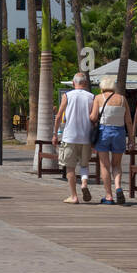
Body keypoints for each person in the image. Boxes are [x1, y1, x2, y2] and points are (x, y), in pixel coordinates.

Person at [89, 76, 136, 205]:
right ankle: (118, 187)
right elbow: (128, 121)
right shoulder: (122, 99)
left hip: (103, 132)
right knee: (116, 164)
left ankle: (109, 196)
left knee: (104, 165)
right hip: (119, 132)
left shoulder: (98, 98)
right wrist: (131, 139)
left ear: (102, 87)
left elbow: (93, 117)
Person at [53, 72, 94, 204]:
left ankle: (74, 196)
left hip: (70, 136)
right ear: (85, 83)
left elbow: (59, 116)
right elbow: (94, 118)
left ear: (73, 83)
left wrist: (55, 134)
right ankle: (84, 183)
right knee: (84, 164)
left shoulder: (67, 95)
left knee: (70, 167)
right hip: (86, 136)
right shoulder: (91, 97)